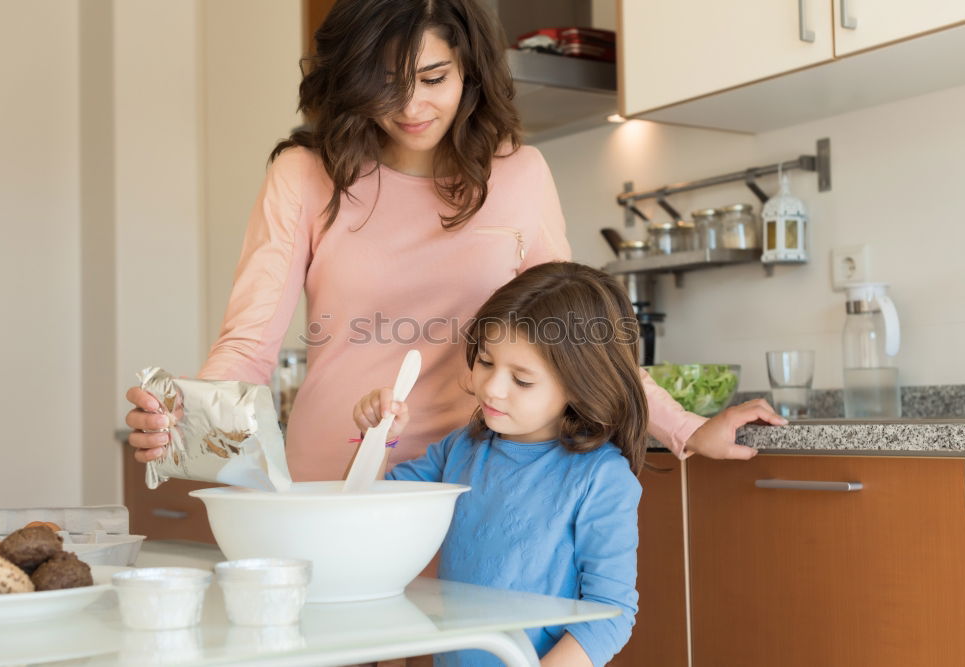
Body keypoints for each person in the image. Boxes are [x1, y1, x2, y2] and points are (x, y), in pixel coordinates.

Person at [125, 0, 784, 481]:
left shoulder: (520, 176)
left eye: (433, 78)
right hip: (339, 472)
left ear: (469, 68)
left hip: (486, 475)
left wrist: (689, 428)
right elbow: (247, 345)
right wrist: (184, 421)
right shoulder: (303, 175)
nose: (411, 105)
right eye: (386, 82)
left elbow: (577, 336)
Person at [352, 262, 653, 666]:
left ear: (581, 385)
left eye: (522, 380)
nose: (492, 388)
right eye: (487, 362)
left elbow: (609, 614)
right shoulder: (458, 450)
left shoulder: (601, 478)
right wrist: (380, 438)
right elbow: (365, 515)